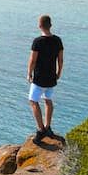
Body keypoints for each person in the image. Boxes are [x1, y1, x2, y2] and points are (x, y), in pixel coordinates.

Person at [27, 14, 64, 145]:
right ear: (50, 25)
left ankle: (40, 129)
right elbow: (60, 59)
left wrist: (29, 73)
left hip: (39, 78)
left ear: (40, 26)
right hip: (52, 78)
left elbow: (32, 60)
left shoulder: (37, 41)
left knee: (33, 101)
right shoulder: (58, 40)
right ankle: (48, 127)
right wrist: (59, 72)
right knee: (48, 100)